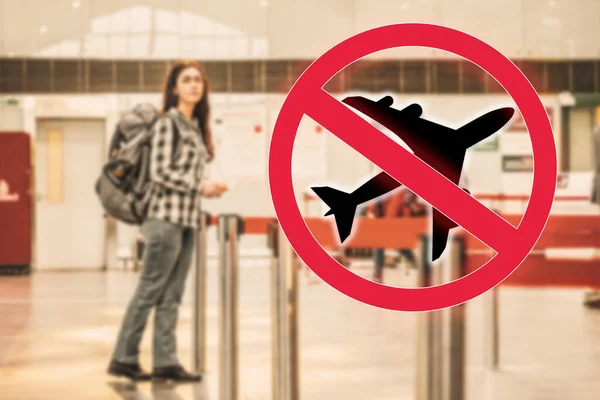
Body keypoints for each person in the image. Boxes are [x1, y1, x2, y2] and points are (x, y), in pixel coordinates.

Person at [107, 60, 226, 382]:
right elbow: (160, 173)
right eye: (186, 80)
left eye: (198, 80)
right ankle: (123, 357)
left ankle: (165, 360)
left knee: (172, 294)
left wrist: (206, 188)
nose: (193, 85)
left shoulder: (194, 127)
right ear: (174, 88)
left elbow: (183, 173)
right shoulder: (167, 124)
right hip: (163, 220)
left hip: (187, 219)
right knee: (149, 289)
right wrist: (199, 185)